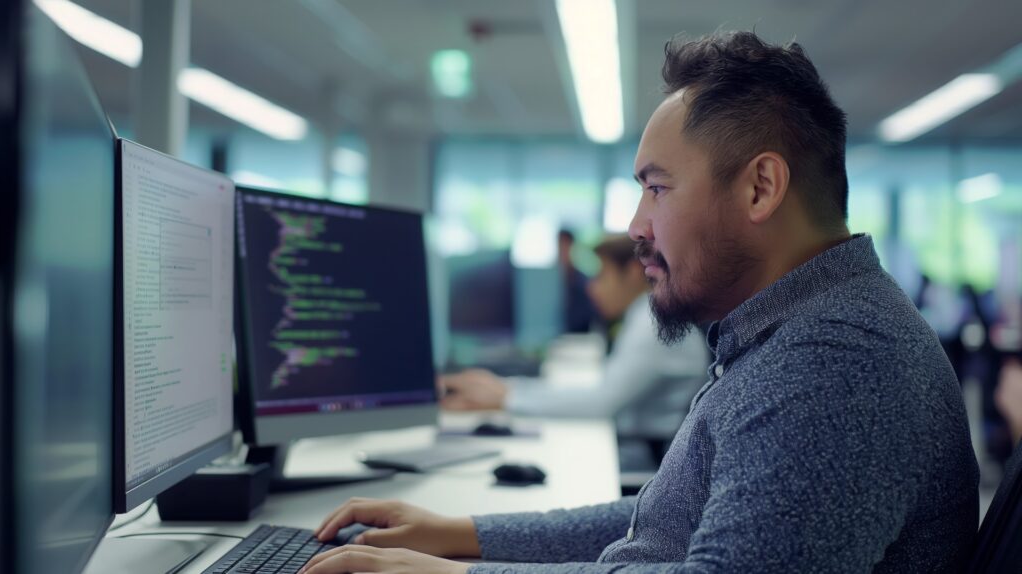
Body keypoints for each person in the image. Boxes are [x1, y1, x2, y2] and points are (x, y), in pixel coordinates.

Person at [299, 31, 979, 574]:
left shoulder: (835, 365)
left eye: (657, 189)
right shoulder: (792, 335)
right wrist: (460, 534)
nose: (634, 227)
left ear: (760, 188)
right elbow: (663, 523)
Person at [442, 234, 709, 463]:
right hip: (640, 444)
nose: (592, 288)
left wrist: (507, 398)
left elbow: (601, 403)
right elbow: (601, 394)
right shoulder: (647, 315)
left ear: (632, 272)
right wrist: (509, 390)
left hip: (645, 454)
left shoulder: (653, 326)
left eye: (602, 275)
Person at [558, 229, 596, 333]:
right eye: (559, 246)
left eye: (566, 246)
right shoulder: (547, 281)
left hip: (578, 338)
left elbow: (586, 317)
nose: (562, 251)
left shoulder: (583, 282)